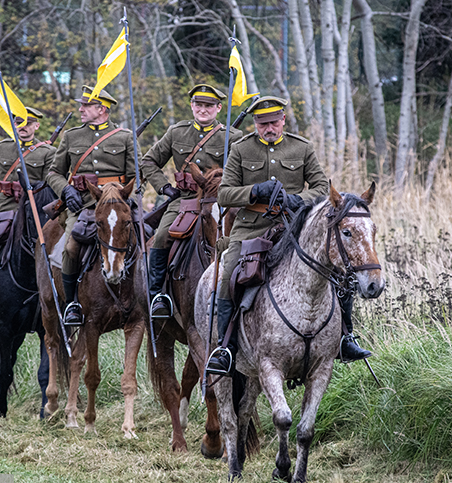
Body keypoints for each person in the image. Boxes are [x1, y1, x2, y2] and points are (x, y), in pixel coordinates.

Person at [205, 96, 372, 376]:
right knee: (229, 273)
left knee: (339, 271)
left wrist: (297, 200)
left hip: (293, 226)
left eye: (273, 122)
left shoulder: (302, 147)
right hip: (251, 228)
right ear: (256, 124)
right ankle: (226, 348)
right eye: (262, 123)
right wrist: (252, 192)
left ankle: (345, 338)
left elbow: (321, 186)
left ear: (283, 120)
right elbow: (223, 194)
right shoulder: (240, 148)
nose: (268, 128)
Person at [142, 84, 243, 318]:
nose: (203, 109)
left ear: (218, 107)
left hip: (222, 200)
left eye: (209, 105)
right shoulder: (177, 132)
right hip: (185, 200)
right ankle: (158, 295)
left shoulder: (233, 136)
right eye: (199, 104)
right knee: (161, 236)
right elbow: (148, 162)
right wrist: (165, 187)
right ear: (192, 106)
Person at [45, 86, 137, 326]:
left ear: (102, 109)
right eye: (82, 105)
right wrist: (66, 190)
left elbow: (136, 175)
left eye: (85, 106)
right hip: (84, 204)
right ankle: (73, 304)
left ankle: (151, 296)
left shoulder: (124, 136)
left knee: (147, 241)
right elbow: (54, 173)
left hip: (118, 204)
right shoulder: (72, 136)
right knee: (70, 247)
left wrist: (128, 197)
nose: (80, 109)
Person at [0, 107, 56, 309]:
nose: (22, 127)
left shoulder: (48, 152)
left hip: (34, 207)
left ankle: (60, 294)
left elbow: (53, 180)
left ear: (36, 126)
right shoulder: (1, 148)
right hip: (6, 205)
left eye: (28, 123)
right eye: (18, 123)